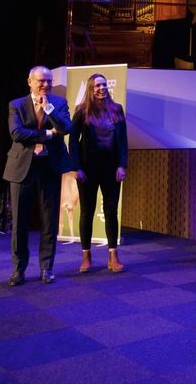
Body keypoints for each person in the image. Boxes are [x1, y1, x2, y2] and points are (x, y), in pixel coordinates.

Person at [3, 66, 73, 286]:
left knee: (49, 221)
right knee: (20, 222)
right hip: (22, 167)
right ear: (30, 82)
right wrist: (47, 134)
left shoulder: (58, 103)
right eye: (41, 81)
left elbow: (66, 128)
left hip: (49, 168)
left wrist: (49, 110)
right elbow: (17, 133)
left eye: (49, 81)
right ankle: (18, 269)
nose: (46, 85)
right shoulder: (16, 105)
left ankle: (46, 268)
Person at [69, 73, 129, 274]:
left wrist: (122, 165)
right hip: (88, 169)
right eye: (97, 86)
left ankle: (113, 256)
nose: (101, 88)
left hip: (111, 168)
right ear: (91, 89)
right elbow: (73, 142)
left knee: (111, 210)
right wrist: (77, 167)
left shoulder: (117, 110)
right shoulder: (81, 111)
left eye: (103, 84)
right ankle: (86, 257)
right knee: (87, 211)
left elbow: (123, 141)